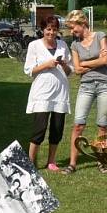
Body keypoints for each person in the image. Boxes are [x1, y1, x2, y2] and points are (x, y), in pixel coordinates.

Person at [62, 9, 107, 174]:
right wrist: (96, 61)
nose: (72, 32)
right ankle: (72, 164)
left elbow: (105, 60)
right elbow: (76, 70)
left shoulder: (100, 36)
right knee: (78, 125)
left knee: (102, 125)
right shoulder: (75, 44)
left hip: (105, 85)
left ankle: (101, 160)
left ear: (82, 23)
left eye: (73, 28)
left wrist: (85, 64)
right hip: (86, 86)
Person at [23, 17, 72, 171]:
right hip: (42, 92)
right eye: (48, 29)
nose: (51, 32)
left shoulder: (63, 45)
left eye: (54, 29)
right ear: (43, 30)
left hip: (60, 93)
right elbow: (29, 70)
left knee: (57, 128)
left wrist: (64, 64)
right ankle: (31, 162)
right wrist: (46, 65)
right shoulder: (34, 46)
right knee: (40, 129)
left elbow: (70, 70)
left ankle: (51, 161)